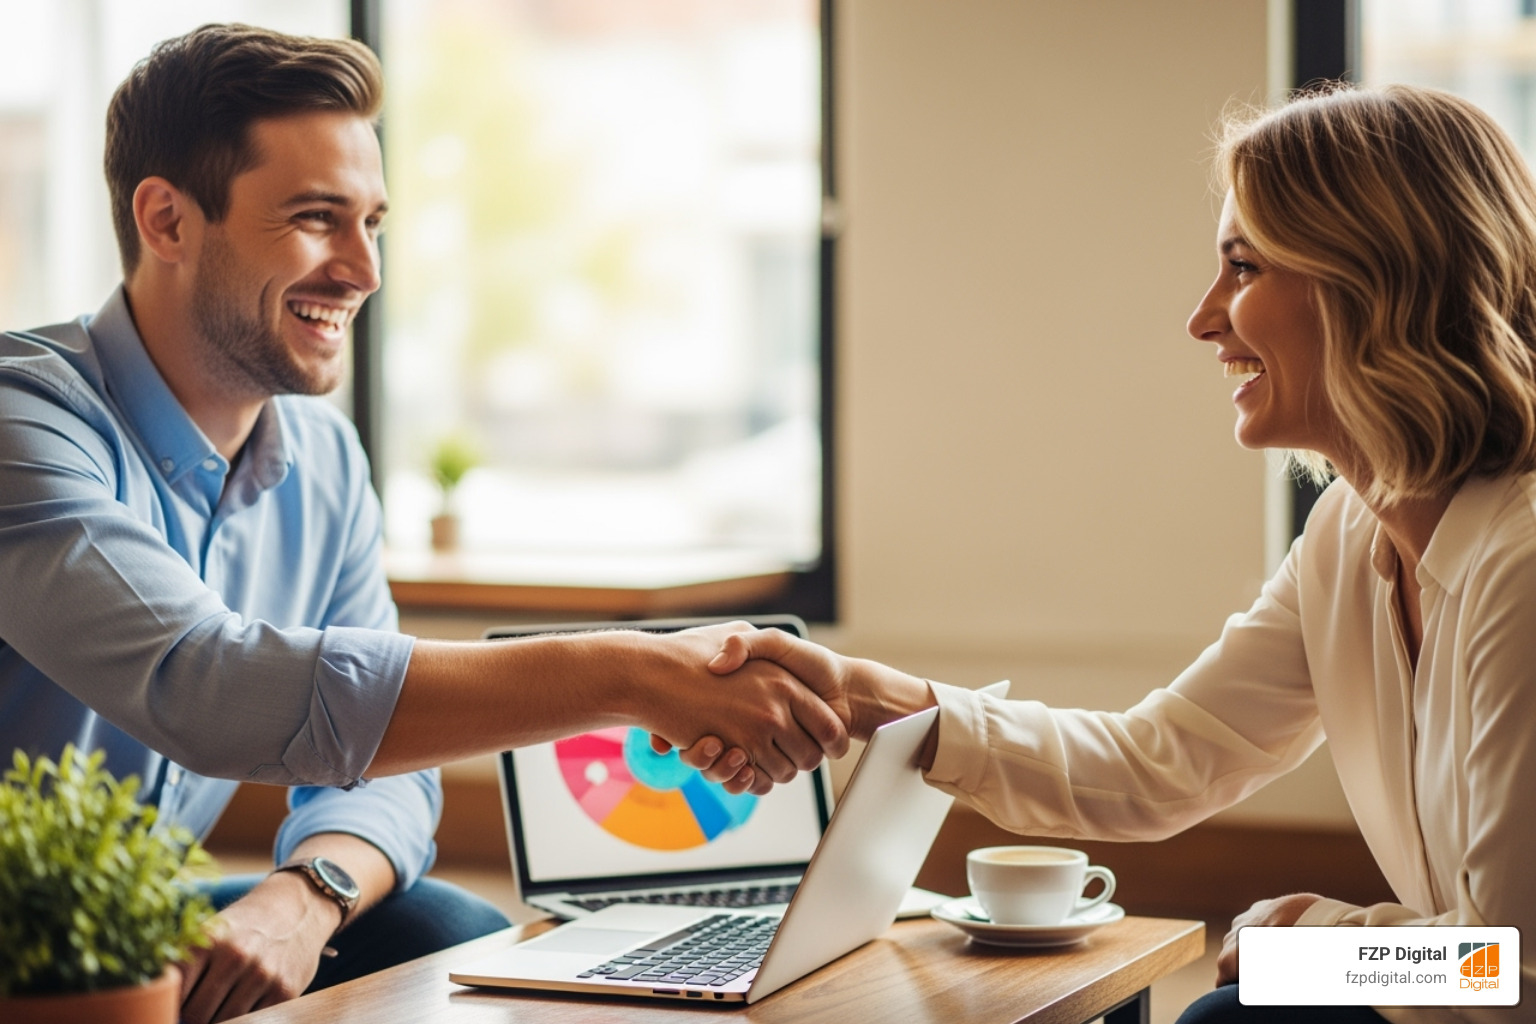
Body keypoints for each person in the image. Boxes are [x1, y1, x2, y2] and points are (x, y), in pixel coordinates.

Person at [0, 23, 845, 1024]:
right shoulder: (25, 420)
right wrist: (630, 674)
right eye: (318, 218)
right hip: (28, 940)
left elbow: (382, 777)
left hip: (113, 919)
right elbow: (205, 682)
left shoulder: (323, 461)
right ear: (168, 219)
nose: (364, 269)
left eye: (374, 222)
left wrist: (306, 896)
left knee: (451, 932)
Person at [686, 84, 1536, 1023]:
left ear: (1374, 285)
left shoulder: (1522, 565)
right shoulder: (1349, 531)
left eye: (1244, 269)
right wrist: (876, 704)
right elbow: (1159, 763)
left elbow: (1514, 976)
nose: (1204, 319)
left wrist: (1312, 948)